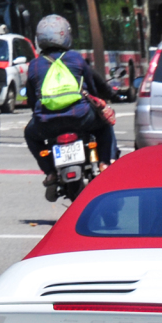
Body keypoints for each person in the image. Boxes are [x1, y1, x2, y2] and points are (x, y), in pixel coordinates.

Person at [23, 14, 118, 195]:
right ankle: (105, 163)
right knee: (105, 125)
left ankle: (50, 172)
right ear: (66, 35)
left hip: (46, 123)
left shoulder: (34, 65)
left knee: (30, 134)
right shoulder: (75, 58)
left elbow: (32, 100)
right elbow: (91, 88)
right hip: (81, 117)